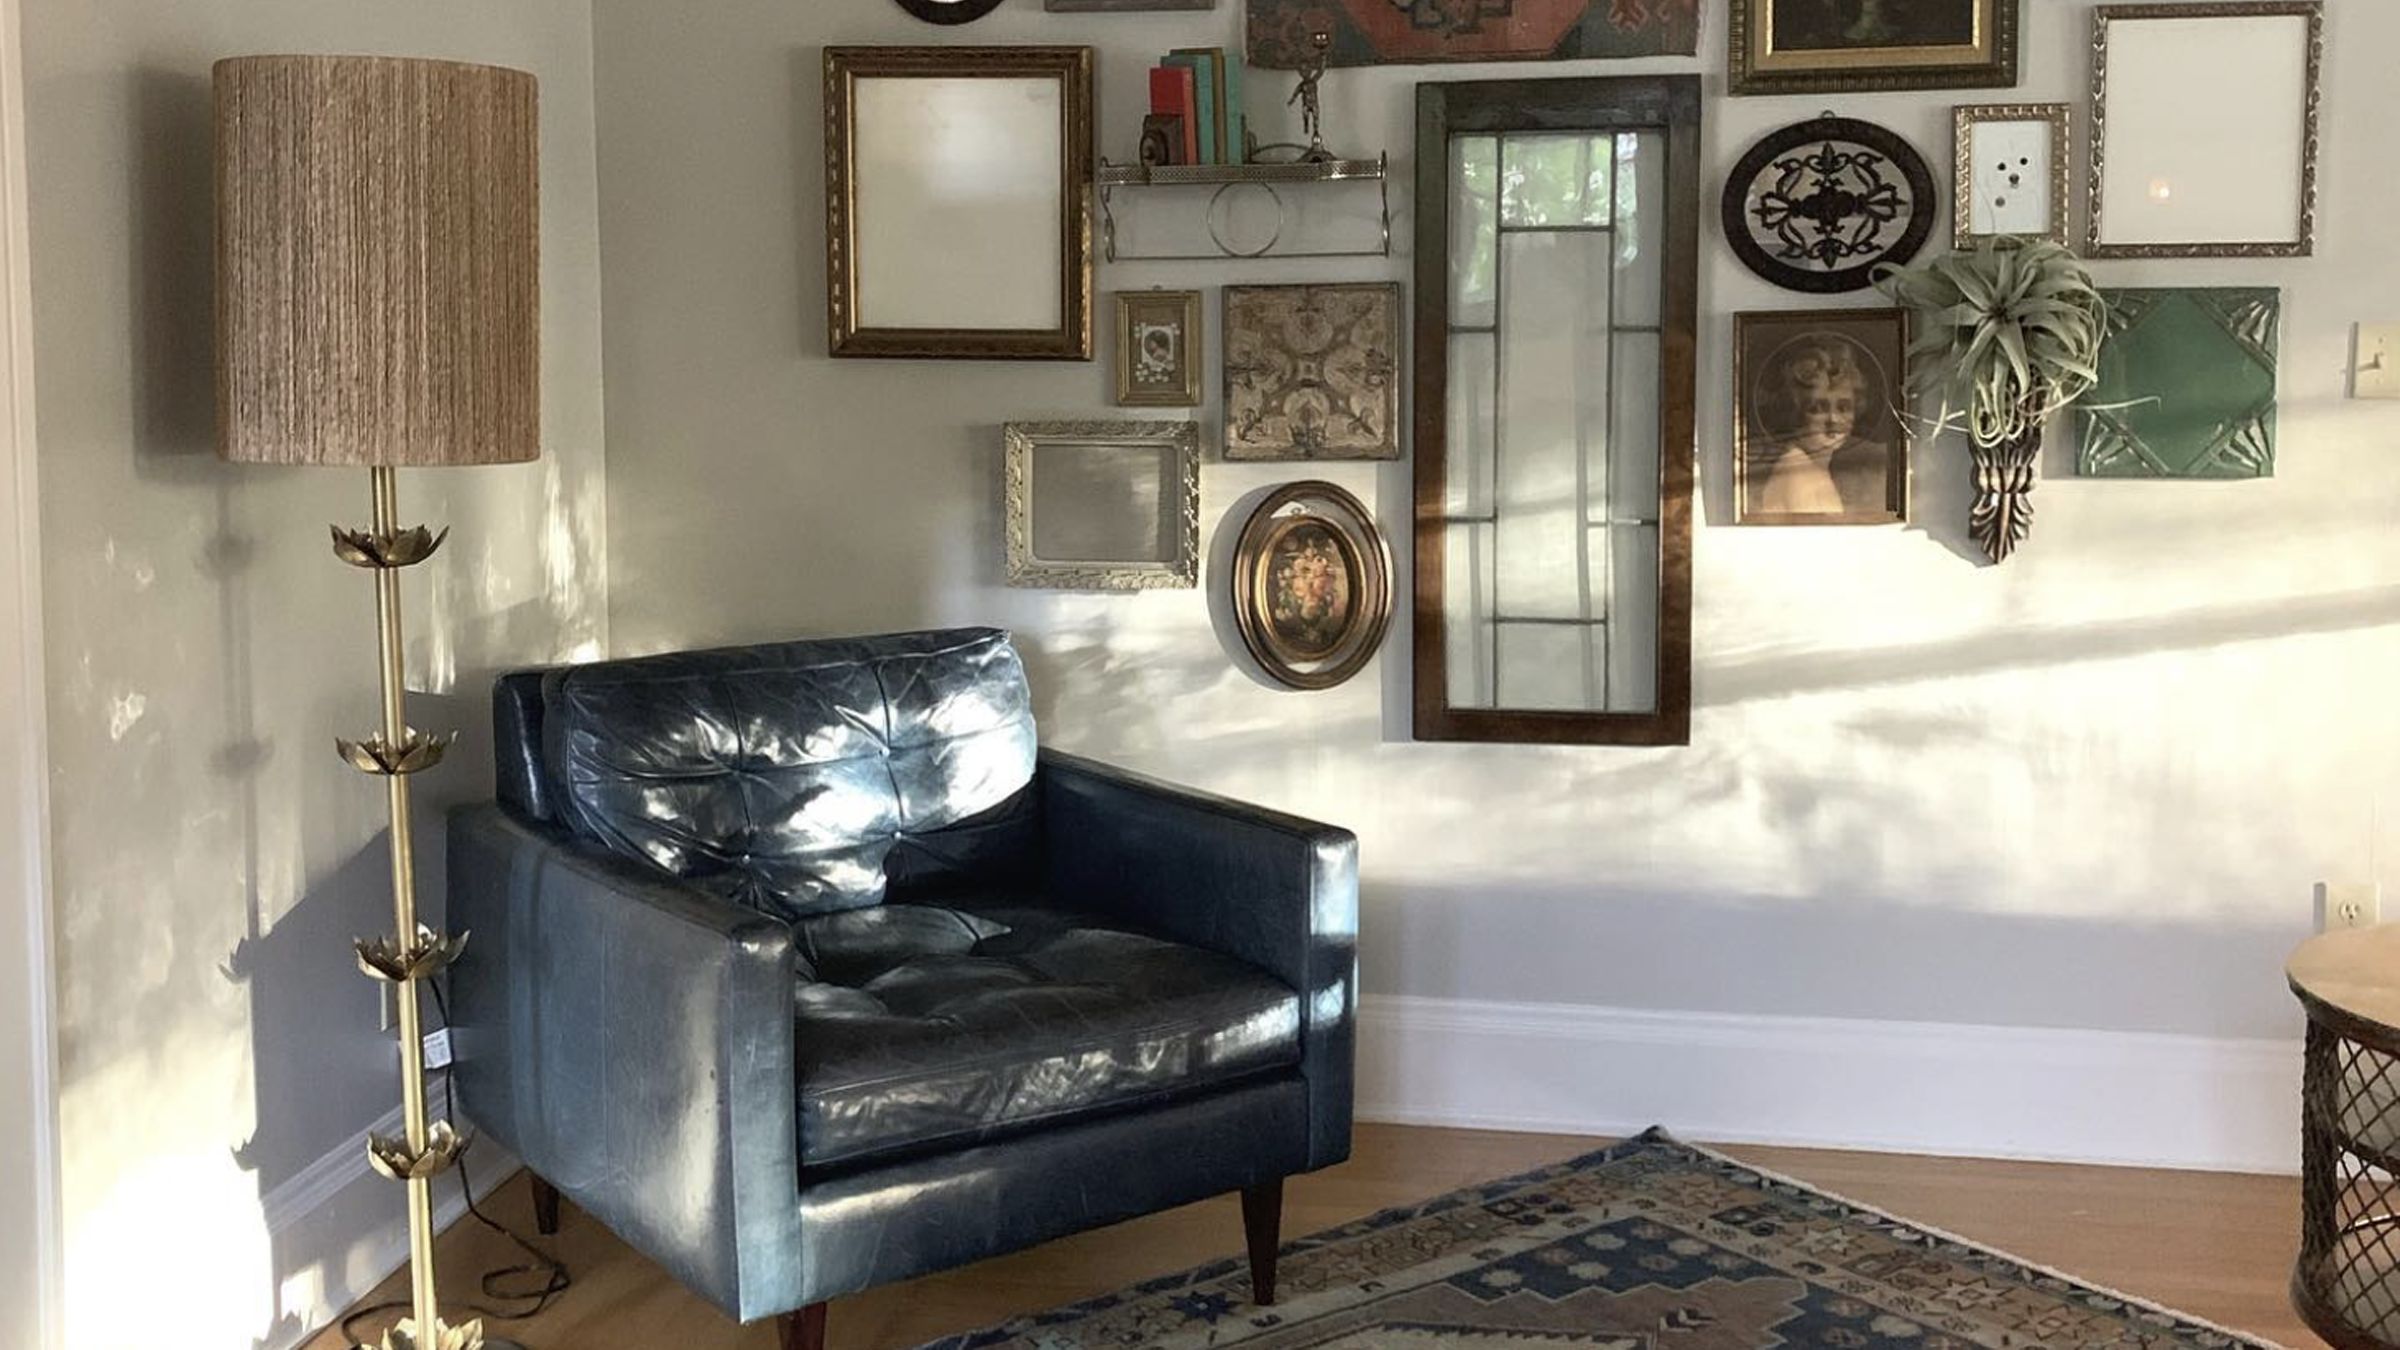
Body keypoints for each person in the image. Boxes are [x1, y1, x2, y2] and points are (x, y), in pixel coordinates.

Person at [1750, 336, 1890, 517]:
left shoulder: (1814, 467)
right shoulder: (1795, 474)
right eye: (1817, 408)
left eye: (1844, 407)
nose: (1833, 419)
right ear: (1795, 410)